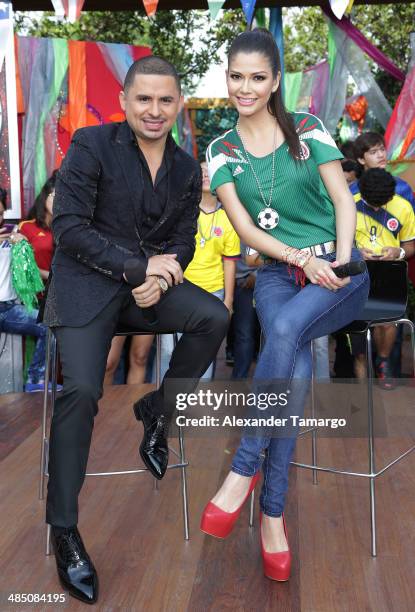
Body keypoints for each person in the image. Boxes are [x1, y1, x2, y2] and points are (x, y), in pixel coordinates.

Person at [42, 56, 229, 604]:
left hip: (145, 289)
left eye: (165, 100)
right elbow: (69, 226)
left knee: (213, 315)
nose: (154, 110)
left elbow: (184, 239)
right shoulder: (92, 144)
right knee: (80, 388)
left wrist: (164, 272)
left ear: (179, 104)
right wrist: (136, 269)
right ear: (125, 100)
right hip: (86, 287)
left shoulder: (186, 167)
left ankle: (158, 410)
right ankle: (65, 531)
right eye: (143, 99)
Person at [200, 29, 370, 583]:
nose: (244, 87)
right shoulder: (220, 150)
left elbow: (344, 200)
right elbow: (245, 229)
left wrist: (338, 264)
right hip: (277, 273)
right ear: (228, 78)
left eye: (257, 77)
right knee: (289, 351)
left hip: (339, 270)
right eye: (236, 76)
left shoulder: (308, 130)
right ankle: (272, 513)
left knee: (286, 332)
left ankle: (243, 469)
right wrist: (300, 259)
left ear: (274, 82)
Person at [160, 160, 240, 380]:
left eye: (210, 172)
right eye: (201, 171)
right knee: (169, 351)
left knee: (203, 354)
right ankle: (164, 406)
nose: (205, 175)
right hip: (178, 290)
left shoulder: (229, 218)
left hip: (213, 294)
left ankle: (198, 406)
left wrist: (229, 301)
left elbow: (230, 262)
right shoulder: (182, 213)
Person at [353, 167, 415, 387]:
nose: (377, 208)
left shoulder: (404, 207)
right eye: (372, 204)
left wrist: (397, 252)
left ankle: (384, 362)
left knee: (388, 322)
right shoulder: (349, 204)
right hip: (357, 272)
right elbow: (336, 242)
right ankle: (361, 379)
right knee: (357, 328)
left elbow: (409, 245)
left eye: (382, 204)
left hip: (389, 272)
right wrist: (356, 253)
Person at [0, 187, 47, 392]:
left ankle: (35, 379)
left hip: (8, 309)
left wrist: (22, 243)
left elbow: (28, 268)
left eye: (0, 213)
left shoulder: (12, 231)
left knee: (49, 327)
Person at [350, 132, 415, 211]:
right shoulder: (352, 191)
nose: (381, 155)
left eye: (382, 149)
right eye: (373, 152)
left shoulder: (401, 187)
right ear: (361, 160)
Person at [19, 172, 56, 282]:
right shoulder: (27, 227)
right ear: (45, 196)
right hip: (37, 294)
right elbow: (21, 265)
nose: (60, 202)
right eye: (55, 196)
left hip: (64, 293)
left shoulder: (70, 227)